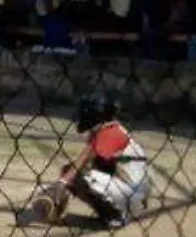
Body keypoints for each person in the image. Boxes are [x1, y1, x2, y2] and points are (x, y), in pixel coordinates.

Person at [58, 92, 149, 229]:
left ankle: (117, 215)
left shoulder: (112, 131)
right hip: (129, 191)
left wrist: (61, 184)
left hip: (133, 194)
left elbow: (84, 158)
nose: (82, 116)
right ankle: (109, 213)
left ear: (96, 115)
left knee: (84, 176)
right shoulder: (105, 129)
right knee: (71, 172)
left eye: (86, 112)